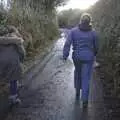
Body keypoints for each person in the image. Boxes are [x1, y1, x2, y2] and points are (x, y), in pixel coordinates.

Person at [63, 13, 99, 107]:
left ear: (81, 21)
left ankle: (77, 90)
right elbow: (96, 46)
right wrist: (94, 53)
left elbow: (68, 43)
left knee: (78, 73)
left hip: (77, 57)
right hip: (88, 57)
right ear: (89, 22)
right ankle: (85, 100)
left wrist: (65, 55)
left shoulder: (73, 31)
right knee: (86, 77)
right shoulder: (93, 33)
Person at [0, 25, 25, 105]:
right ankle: (13, 97)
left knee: (6, 75)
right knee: (14, 78)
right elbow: (22, 52)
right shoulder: (17, 40)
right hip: (13, 61)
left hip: (2, 60)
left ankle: (11, 86)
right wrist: (21, 59)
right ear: (14, 31)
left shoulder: (2, 39)